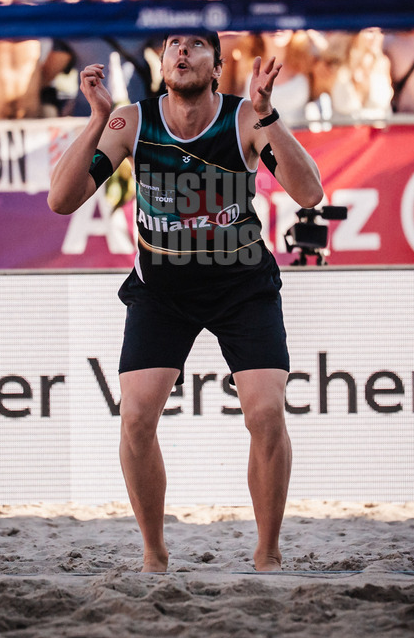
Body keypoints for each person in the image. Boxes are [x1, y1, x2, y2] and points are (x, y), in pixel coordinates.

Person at [47, 30, 324, 572]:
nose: (181, 52)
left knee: (265, 413)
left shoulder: (245, 116)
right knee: (136, 419)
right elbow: (61, 200)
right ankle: (154, 554)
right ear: (162, 62)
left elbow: (310, 193)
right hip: (162, 290)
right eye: (174, 44)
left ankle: (267, 553)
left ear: (215, 67)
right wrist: (97, 119)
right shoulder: (131, 120)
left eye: (195, 46)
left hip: (241, 286)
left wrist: (269, 115)